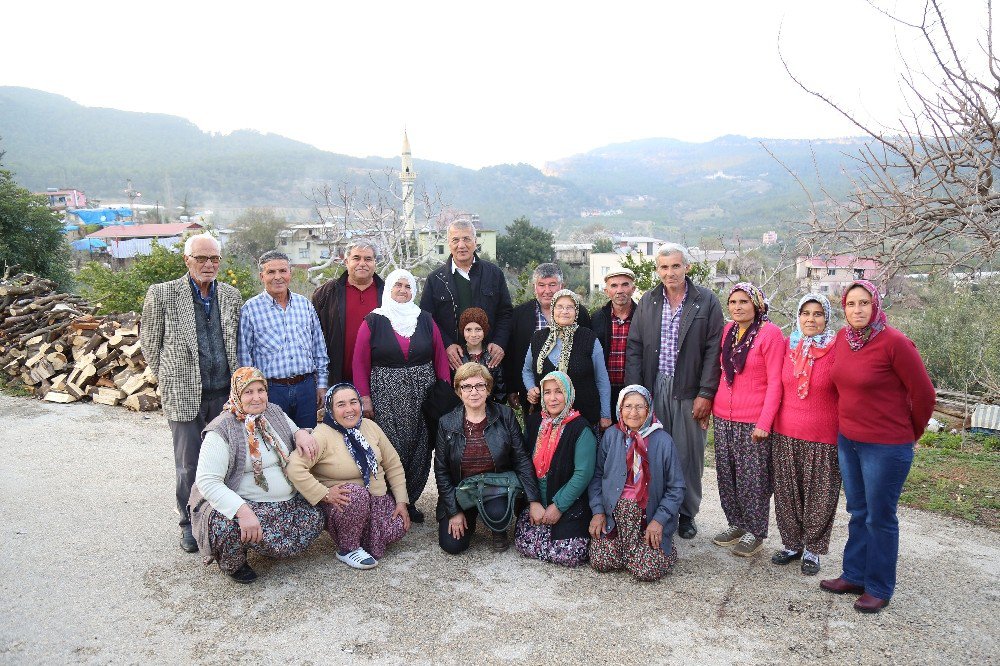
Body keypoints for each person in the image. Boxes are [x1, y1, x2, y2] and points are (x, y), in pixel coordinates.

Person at [821, 280, 935, 613]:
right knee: (858, 512)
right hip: (849, 440)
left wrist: (911, 433)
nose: (857, 310)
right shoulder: (843, 339)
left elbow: (924, 394)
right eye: (851, 304)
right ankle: (854, 575)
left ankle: (879, 587)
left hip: (885, 446)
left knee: (880, 518)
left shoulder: (896, 343)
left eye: (864, 303)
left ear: (876, 305)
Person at [140, 231, 243, 553]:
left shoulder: (230, 295)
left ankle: (220, 520)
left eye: (214, 258)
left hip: (224, 394)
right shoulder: (163, 294)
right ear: (187, 260)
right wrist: (169, 379)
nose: (208, 264)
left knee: (226, 462)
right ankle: (188, 524)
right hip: (185, 396)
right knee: (188, 465)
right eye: (201, 258)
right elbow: (150, 343)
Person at [625, 243, 724, 540]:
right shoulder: (649, 301)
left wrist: (705, 393)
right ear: (658, 270)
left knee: (688, 453)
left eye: (676, 266)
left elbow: (713, 350)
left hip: (689, 389)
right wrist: (637, 393)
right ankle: (654, 508)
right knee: (652, 450)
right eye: (664, 267)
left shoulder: (705, 301)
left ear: (687, 268)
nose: (670, 272)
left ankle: (685, 513)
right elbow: (635, 347)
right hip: (654, 387)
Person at [188, 367, 324, 584]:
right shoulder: (221, 430)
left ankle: (269, 545)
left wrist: (300, 433)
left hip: (286, 502)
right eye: (248, 392)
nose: (257, 397)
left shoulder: (273, 413)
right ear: (236, 395)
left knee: (320, 509)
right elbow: (207, 481)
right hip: (248, 505)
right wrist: (242, 512)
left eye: (261, 390)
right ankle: (235, 564)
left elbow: (294, 429)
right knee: (224, 524)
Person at [353, 268, 450, 523]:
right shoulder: (373, 320)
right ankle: (389, 501)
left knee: (420, 447)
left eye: (408, 286)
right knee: (389, 447)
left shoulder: (425, 319)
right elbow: (359, 361)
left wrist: (444, 392)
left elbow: (440, 357)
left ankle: (411, 500)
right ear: (389, 289)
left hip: (423, 393)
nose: (403, 291)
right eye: (398, 285)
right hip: (385, 393)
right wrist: (364, 397)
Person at [287, 383, 410, 570]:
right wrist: (324, 493)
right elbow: (294, 467)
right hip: (341, 502)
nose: (349, 409)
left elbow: (393, 464)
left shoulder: (370, 427)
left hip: (374, 498)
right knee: (356, 495)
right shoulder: (322, 435)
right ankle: (348, 548)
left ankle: (360, 534)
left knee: (398, 526)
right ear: (330, 408)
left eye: (354, 402)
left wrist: (401, 501)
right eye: (341, 404)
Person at [434, 363, 543, 554]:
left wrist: (533, 499)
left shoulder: (505, 415)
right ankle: (470, 515)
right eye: (467, 386)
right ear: (459, 391)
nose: (474, 392)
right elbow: (441, 471)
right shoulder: (446, 422)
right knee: (452, 545)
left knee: (498, 514)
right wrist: (453, 511)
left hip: (495, 486)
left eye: (479, 386)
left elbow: (521, 459)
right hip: (462, 489)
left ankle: (496, 526)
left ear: (488, 389)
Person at [711, 282, 784, 557]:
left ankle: (755, 531)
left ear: (756, 304)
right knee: (727, 475)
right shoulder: (728, 331)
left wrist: (765, 422)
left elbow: (776, 382)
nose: (737, 307)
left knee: (753, 479)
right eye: (733, 302)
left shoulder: (770, 334)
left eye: (743, 301)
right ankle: (736, 524)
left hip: (753, 419)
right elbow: (721, 372)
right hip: (723, 416)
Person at [771, 293, 841, 575]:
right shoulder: (789, 347)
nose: (810, 319)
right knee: (787, 492)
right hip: (785, 432)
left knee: (820, 495)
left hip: (824, 437)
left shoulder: (837, 349)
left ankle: (813, 548)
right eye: (805, 313)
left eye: (817, 314)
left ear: (826, 318)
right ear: (798, 317)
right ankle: (792, 544)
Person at [588, 385, 685, 582]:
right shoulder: (611, 436)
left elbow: (677, 487)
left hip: (647, 521)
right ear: (620, 409)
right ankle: (628, 552)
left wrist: (658, 521)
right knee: (600, 561)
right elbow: (597, 476)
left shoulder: (663, 441)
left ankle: (660, 550)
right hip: (615, 520)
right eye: (628, 406)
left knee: (646, 571)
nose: (633, 412)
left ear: (648, 409)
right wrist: (598, 512)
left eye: (639, 407)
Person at [514, 371, 597, 567]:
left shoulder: (580, 428)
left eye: (558, 392)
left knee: (568, 553)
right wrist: (533, 502)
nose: (552, 398)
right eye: (547, 392)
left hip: (568, 502)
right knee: (524, 543)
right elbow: (524, 463)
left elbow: (583, 474)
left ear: (568, 394)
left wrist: (558, 506)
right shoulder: (534, 422)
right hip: (538, 503)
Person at [238, 250, 327, 428]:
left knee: (307, 443)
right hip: (271, 390)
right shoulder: (250, 309)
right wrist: (253, 392)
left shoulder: (305, 305)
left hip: (306, 388)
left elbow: (319, 348)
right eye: (271, 272)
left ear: (290, 273)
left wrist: (322, 385)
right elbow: (244, 357)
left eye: (282, 271)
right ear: (261, 276)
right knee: (276, 443)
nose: (278, 277)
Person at [420, 219, 513, 371]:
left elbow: (505, 313)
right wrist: (447, 345)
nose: (461, 245)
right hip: (451, 363)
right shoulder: (435, 279)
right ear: (449, 243)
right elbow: (427, 319)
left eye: (466, 239)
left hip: (488, 362)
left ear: (475, 242)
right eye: (455, 240)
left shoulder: (494, 274)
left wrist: (499, 342)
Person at [505, 263, 593, 413]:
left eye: (552, 285)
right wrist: (512, 388)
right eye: (541, 285)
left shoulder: (579, 313)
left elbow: (589, 353)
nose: (547, 291)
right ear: (534, 287)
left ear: (562, 286)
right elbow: (512, 354)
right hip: (534, 395)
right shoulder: (519, 315)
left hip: (573, 394)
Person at [522, 289, 612, 432]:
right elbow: (527, 370)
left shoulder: (589, 338)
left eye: (569, 307)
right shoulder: (538, 338)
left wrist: (606, 414)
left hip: (584, 416)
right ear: (552, 309)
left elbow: (602, 379)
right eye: (560, 307)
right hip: (548, 418)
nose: (564, 311)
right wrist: (530, 388)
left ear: (576, 311)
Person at [311, 240, 384, 386]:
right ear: (346, 261)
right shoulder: (326, 293)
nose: (362, 263)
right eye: (356, 258)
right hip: (337, 380)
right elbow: (312, 336)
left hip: (379, 382)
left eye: (368, 259)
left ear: (375, 262)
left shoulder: (388, 292)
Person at [591, 267, 637, 417]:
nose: (620, 290)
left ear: (633, 289)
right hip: (604, 390)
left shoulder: (643, 317)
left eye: (625, 285)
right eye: (614, 286)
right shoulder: (597, 318)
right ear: (606, 291)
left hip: (633, 389)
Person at [458, 307, 506, 403]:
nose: (473, 334)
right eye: (468, 330)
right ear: (462, 331)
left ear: (484, 330)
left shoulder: (492, 356)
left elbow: (500, 389)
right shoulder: (458, 357)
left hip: (489, 408)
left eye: (478, 329)